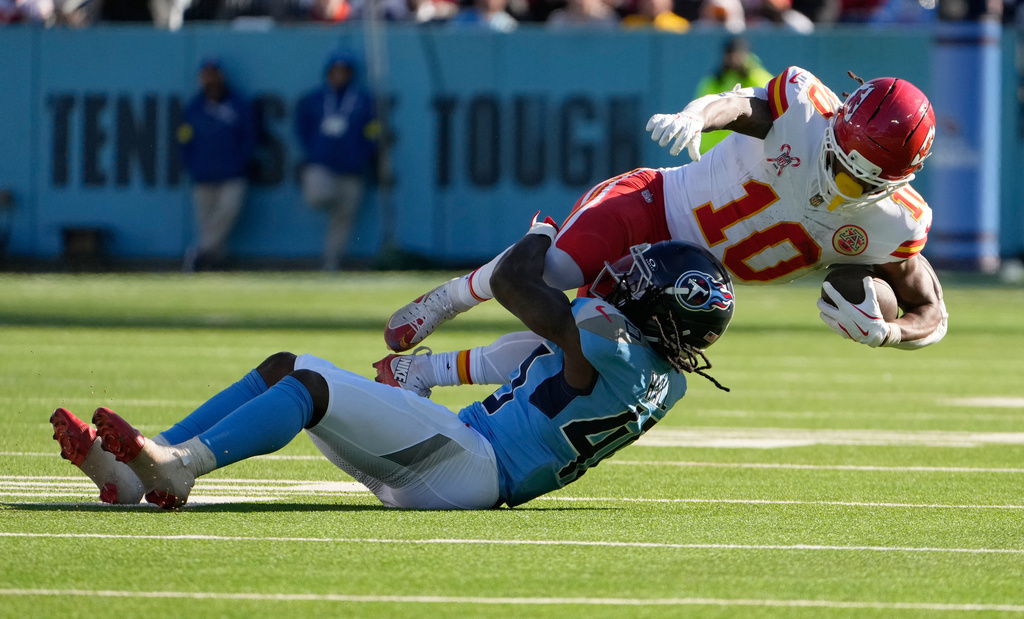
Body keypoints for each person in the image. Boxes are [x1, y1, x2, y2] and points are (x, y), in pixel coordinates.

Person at [49, 237, 735, 509]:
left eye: (641, 277)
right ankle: (136, 470)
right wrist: (429, 369)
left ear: (658, 307)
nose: (624, 276)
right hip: (466, 458)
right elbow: (522, 357)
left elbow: (516, 282)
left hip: (471, 464)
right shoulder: (655, 371)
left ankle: (183, 465)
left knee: (310, 386)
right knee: (285, 368)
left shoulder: (608, 338)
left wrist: (549, 227)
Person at [383, 65, 948, 356]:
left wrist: (891, 333)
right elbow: (736, 105)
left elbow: (933, 312)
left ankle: (427, 372)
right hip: (656, 207)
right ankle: (452, 296)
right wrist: (694, 117)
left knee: (584, 349)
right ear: (836, 129)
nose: (843, 187)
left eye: (862, 181)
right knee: (551, 276)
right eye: (842, 165)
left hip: (697, 284)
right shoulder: (804, 107)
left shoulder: (897, 221)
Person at [294, 50, 378, 271]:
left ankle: (331, 261)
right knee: (319, 195)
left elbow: (372, 130)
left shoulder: (361, 100)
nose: (340, 75)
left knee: (344, 217)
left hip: (352, 167)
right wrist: (314, 150)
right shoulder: (315, 98)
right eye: (336, 71)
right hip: (322, 164)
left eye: (344, 71)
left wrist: (363, 153)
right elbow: (301, 127)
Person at [177, 57, 256, 271]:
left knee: (228, 211)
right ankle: (214, 264)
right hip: (203, 173)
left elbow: (249, 136)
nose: (210, 79)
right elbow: (184, 138)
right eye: (206, 75)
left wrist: (240, 161)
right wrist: (191, 164)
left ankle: (199, 252)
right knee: (206, 221)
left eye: (214, 74)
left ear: (221, 76)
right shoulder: (194, 107)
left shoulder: (238, 104)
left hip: (233, 173)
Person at [691, 35, 773, 153]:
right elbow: (701, 108)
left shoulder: (760, 78)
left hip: (750, 153)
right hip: (712, 153)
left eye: (737, 54)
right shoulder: (714, 81)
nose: (733, 58)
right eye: (730, 54)